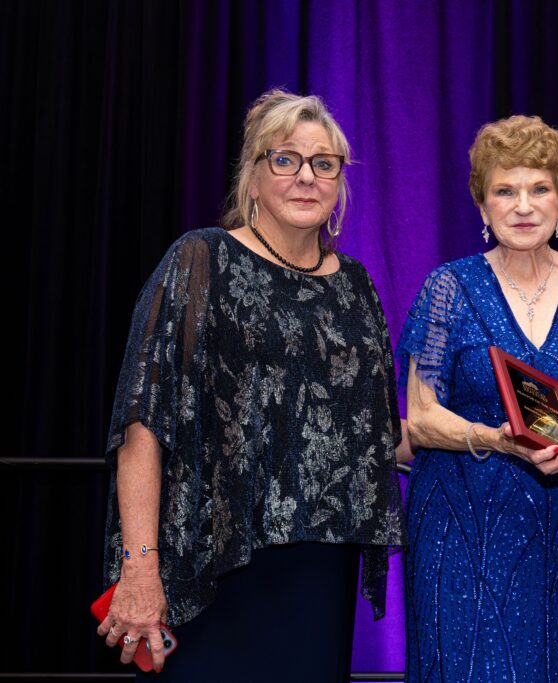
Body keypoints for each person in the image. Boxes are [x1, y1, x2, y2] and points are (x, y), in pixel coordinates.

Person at [96, 89, 405, 680]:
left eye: (324, 163)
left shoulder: (356, 285)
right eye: (285, 159)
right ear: (254, 177)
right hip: (214, 566)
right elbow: (143, 422)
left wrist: (484, 437)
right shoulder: (200, 258)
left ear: (340, 181)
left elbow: (374, 432)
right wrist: (139, 568)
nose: (306, 177)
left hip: (320, 572)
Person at [399, 115, 558, 682]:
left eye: (539, 189)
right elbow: (421, 418)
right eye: (505, 191)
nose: (523, 206)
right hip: (460, 522)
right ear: (482, 207)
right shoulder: (447, 287)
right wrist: (498, 441)